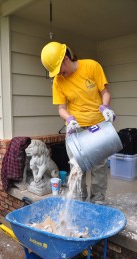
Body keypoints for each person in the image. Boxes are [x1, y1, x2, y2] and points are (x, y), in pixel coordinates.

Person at [41, 41, 115, 204]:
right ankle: (79, 202)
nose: (59, 75)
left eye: (59, 70)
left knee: (99, 168)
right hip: (76, 128)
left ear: (66, 59)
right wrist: (69, 119)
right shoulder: (58, 81)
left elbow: (105, 92)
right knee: (77, 168)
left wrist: (106, 108)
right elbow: (61, 108)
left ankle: (98, 201)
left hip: (98, 126)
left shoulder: (92, 66)